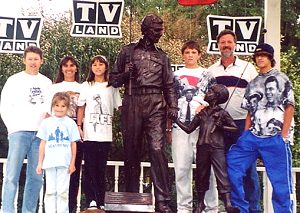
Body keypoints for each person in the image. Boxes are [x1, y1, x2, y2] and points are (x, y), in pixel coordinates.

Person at [109, 14, 178, 213]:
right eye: (157, 30)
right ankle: (130, 198)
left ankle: (163, 202)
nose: (160, 33)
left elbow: (169, 85)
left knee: (157, 150)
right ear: (146, 30)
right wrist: (125, 74)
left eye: (161, 29)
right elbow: (113, 81)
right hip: (133, 101)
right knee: (131, 151)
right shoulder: (127, 51)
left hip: (156, 104)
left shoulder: (163, 56)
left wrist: (172, 106)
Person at [227, 43, 294, 213]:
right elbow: (250, 110)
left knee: (281, 184)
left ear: (270, 58)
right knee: (233, 164)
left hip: (275, 136)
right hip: (253, 136)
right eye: (257, 56)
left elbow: (290, 107)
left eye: (264, 55)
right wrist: (245, 133)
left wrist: (284, 134)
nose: (260, 58)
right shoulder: (253, 82)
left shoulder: (282, 79)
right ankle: (241, 208)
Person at [207, 29, 261, 213]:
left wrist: (252, 125)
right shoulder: (211, 70)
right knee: (224, 169)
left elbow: (257, 98)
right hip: (219, 126)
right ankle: (235, 208)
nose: (226, 45)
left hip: (242, 124)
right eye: (222, 42)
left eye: (229, 42)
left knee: (248, 169)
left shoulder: (248, 68)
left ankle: (254, 209)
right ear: (218, 46)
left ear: (235, 45)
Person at [0, 45, 52, 212]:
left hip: (39, 136)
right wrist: (13, 128)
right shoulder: (14, 80)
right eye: (30, 59)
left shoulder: (46, 82)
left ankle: (28, 211)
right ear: (24, 60)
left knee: (36, 177)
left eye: (36, 59)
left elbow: (50, 108)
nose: (33, 62)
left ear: (41, 61)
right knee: (11, 176)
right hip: (19, 133)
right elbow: (4, 106)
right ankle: (7, 209)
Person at [175, 84, 240, 213]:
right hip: (202, 147)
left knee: (221, 174)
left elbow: (235, 128)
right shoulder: (202, 112)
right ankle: (200, 204)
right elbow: (189, 129)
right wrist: (175, 120)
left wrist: (222, 127)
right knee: (201, 175)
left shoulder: (222, 113)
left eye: (210, 91)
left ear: (216, 97)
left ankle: (227, 204)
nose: (207, 92)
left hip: (217, 148)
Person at [172, 40, 218, 213]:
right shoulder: (175, 75)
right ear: (183, 54)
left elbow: (216, 100)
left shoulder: (207, 74)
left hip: (204, 129)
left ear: (199, 54)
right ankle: (184, 207)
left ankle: (210, 207)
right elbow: (169, 102)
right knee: (181, 168)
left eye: (193, 52)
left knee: (208, 170)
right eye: (187, 52)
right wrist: (169, 127)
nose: (190, 55)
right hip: (180, 127)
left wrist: (205, 106)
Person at [77, 55, 122, 211]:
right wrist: (79, 126)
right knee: (89, 168)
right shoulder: (86, 85)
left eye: (100, 64)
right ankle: (90, 200)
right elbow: (81, 107)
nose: (97, 67)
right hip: (89, 134)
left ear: (106, 67)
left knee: (101, 169)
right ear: (91, 67)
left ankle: (101, 200)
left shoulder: (112, 86)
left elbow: (120, 107)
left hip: (105, 134)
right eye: (94, 64)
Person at [48, 55, 83, 213]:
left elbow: (83, 110)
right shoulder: (55, 87)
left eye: (72, 65)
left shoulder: (82, 87)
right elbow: (48, 113)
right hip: (57, 137)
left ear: (76, 68)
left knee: (73, 171)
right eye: (65, 65)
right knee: (54, 174)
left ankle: (70, 208)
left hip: (75, 133)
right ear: (61, 68)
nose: (69, 68)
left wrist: (79, 127)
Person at [36, 92, 80, 212]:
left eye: (63, 106)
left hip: (64, 164)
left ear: (67, 108)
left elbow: (73, 144)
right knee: (50, 191)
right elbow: (43, 143)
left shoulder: (70, 123)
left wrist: (72, 163)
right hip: (49, 163)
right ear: (52, 106)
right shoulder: (46, 123)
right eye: (56, 105)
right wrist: (40, 163)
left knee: (62, 192)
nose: (59, 108)